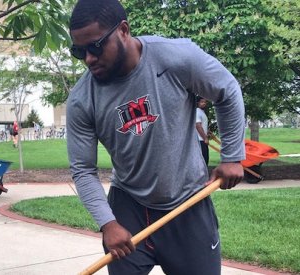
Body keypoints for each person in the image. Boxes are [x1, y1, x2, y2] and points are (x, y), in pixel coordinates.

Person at [66, 1, 245, 274]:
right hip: (128, 208)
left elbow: (227, 90)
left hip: (188, 201)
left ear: (123, 30)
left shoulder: (176, 58)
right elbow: (82, 168)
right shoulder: (81, 99)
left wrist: (232, 156)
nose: (89, 58)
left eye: (96, 46)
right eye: (79, 51)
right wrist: (108, 224)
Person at [196, 96, 210, 165]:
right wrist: (205, 138)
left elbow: (202, 126)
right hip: (200, 140)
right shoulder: (197, 112)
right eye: (202, 102)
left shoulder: (202, 112)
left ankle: (203, 175)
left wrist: (207, 132)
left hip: (202, 140)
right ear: (198, 103)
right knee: (203, 161)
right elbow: (198, 126)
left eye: (205, 102)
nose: (204, 103)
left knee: (205, 159)